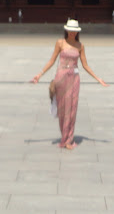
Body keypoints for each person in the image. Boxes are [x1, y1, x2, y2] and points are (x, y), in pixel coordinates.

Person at [30, 19, 108, 149]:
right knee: (62, 109)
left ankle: (69, 140)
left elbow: (85, 65)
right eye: (70, 31)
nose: (72, 33)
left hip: (74, 79)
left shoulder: (80, 46)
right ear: (66, 31)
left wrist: (98, 79)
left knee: (72, 109)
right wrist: (39, 74)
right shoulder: (60, 43)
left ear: (77, 32)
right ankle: (64, 136)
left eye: (74, 31)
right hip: (61, 77)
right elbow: (52, 60)